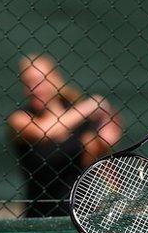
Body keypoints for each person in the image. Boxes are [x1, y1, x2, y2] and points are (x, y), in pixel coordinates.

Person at [8, 53, 123, 217]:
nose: (34, 88)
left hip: (82, 218)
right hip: (39, 220)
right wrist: (91, 104)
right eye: (28, 83)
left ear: (55, 79)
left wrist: (105, 140)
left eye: (40, 80)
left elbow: (97, 158)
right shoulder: (20, 119)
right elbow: (44, 131)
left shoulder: (81, 123)